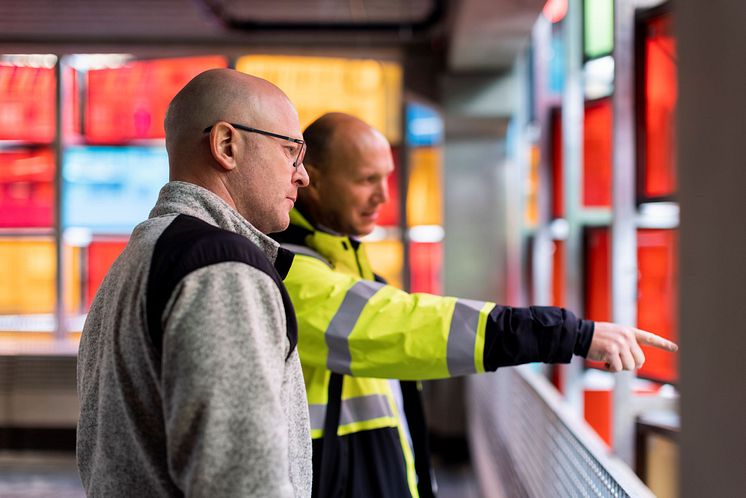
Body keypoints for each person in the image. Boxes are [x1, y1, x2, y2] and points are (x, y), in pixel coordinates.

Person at [271, 112, 678, 498]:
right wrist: (565, 334)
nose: (383, 196)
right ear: (313, 181)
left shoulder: (349, 265)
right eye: (366, 180)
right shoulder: (291, 273)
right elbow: (411, 325)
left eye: (386, 178)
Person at [76, 68, 312, 497]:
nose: (302, 175)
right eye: (290, 152)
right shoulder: (222, 269)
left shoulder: (139, 257)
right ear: (226, 145)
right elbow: (240, 483)